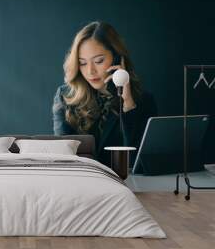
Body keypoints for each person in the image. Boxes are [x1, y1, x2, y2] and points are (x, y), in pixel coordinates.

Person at [52, 21, 157, 168]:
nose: (90, 71)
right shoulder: (65, 96)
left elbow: (138, 163)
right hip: (82, 180)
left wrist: (128, 104)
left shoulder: (142, 100)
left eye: (99, 61)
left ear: (116, 58)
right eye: (82, 63)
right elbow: (63, 157)